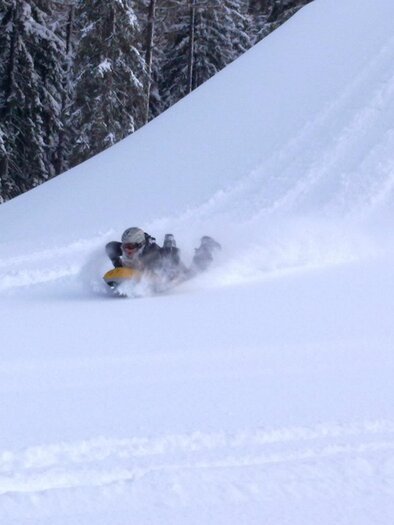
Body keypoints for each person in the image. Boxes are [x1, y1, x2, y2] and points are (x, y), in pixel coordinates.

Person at [106, 227, 220, 280]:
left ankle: (206, 246)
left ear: (140, 244)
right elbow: (110, 247)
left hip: (171, 266)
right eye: (124, 246)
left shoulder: (152, 255)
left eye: (130, 247)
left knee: (193, 273)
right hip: (156, 264)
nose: (126, 250)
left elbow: (165, 279)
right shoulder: (124, 249)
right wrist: (117, 264)